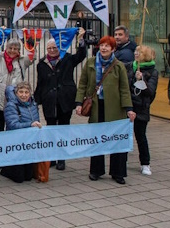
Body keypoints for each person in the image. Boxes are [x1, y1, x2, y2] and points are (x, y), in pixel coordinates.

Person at [76, 36, 136, 185]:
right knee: (97, 139)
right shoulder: (90, 63)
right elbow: (82, 84)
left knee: (116, 140)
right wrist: (78, 103)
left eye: (107, 46)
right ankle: (96, 170)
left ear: (113, 49)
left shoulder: (118, 66)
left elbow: (124, 89)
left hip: (115, 109)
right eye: (101, 45)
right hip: (96, 107)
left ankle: (118, 172)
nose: (103, 48)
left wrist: (129, 109)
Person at [34, 30, 86, 171]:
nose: (52, 50)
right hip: (49, 101)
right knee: (51, 129)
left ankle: (61, 158)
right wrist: (36, 99)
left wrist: (81, 40)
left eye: (54, 48)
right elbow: (41, 83)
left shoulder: (68, 58)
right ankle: (51, 157)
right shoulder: (41, 64)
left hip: (65, 100)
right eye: (49, 48)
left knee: (63, 129)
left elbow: (81, 56)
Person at [0, 83, 41, 183]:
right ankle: (4, 169)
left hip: (29, 142)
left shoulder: (33, 104)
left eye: (26, 92)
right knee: (19, 179)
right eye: (21, 92)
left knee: (29, 177)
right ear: (16, 93)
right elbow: (12, 124)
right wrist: (30, 124)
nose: (24, 95)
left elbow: (37, 121)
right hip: (16, 142)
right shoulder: (11, 105)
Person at [129, 45, 158, 176]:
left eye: (139, 52)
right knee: (124, 135)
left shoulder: (153, 72)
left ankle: (145, 163)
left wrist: (141, 80)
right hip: (129, 106)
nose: (135, 54)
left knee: (141, 136)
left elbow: (150, 91)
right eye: (135, 51)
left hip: (141, 108)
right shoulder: (130, 66)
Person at [0, 39, 32, 133]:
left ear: (19, 50)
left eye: (15, 49)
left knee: (13, 129)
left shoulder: (23, 61)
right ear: (6, 48)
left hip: (15, 102)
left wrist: (27, 38)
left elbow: (32, 55)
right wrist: (0, 34)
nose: (12, 51)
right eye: (10, 48)